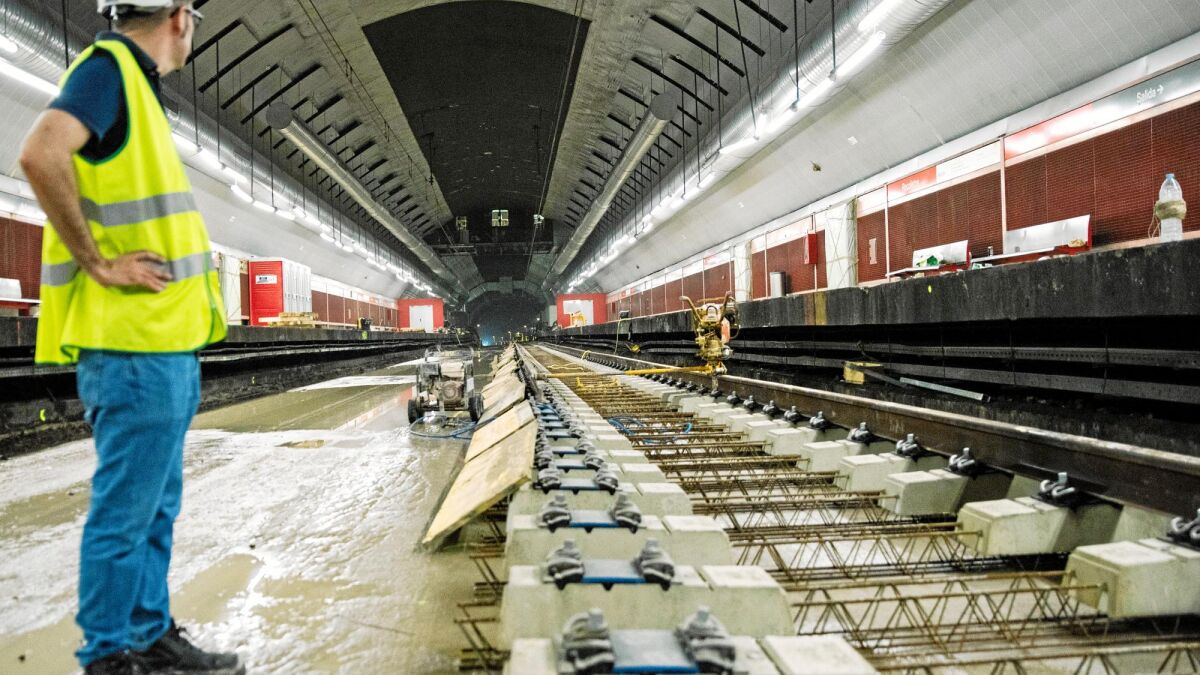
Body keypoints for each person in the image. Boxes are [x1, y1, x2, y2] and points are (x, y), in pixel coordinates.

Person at [19, 1, 238, 673]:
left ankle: (147, 634)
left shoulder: (136, 88)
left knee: (154, 507)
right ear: (178, 17)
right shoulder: (108, 70)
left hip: (160, 342)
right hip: (130, 344)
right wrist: (98, 262)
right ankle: (108, 653)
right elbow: (40, 152)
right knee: (125, 512)